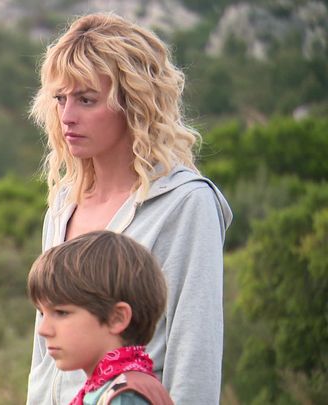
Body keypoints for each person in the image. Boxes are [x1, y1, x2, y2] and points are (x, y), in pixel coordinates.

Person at [27, 12, 232, 405]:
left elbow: (196, 352)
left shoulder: (186, 203)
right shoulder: (62, 203)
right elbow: (44, 354)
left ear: (133, 103)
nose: (67, 116)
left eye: (86, 100)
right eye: (60, 99)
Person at [28, 230, 173, 405]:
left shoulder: (126, 397)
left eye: (61, 312)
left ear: (117, 318)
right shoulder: (106, 389)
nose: (43, 330)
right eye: (43, 313)